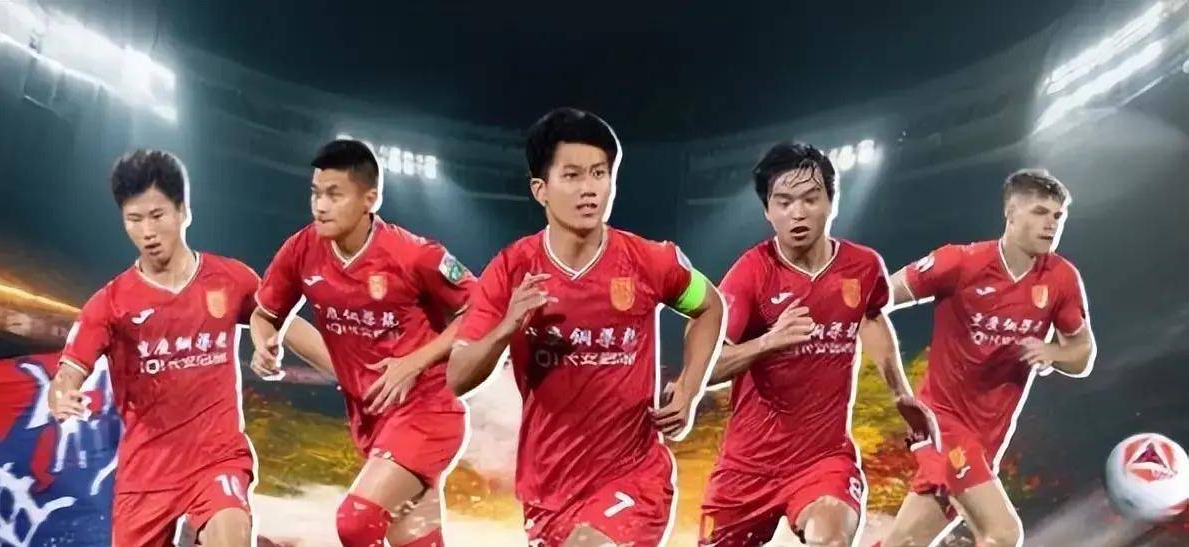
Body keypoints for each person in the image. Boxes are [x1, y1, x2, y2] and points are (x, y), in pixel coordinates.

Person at [447, 107, 725, 546]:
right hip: (548, 491)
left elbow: (709, 306)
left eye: (600, 174)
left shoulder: (651, 262)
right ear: (540, 189)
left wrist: (689, 391)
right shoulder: (510, 270)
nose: (590, 189)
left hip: (634, 476)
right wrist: (505, 329)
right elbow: (457, 376)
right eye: (572, 176)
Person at [49, 149, 327, 547]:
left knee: (230, 532)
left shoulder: (229, 279)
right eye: (134, 219)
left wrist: (352, 375)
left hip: (216, 457)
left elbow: (284, 321)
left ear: (183, 211)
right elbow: (69, 372)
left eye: (157, 215)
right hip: (147, 474)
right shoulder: (109, 305)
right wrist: (62, 395)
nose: (147, 231)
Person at [698, 142, 937, 547]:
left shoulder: (863, 267)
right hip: (747, 468)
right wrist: (769, 342)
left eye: (811, 199)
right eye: (784, 202)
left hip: (823, 460)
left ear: (832, 202)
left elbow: (870, 317)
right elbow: (707, 367)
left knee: (830, 539)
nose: (798, 212)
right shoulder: (750, 273)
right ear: (767, 210)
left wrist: (901, 392)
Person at [249, 139, 474, 547]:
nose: (320, 206)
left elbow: (480, 309)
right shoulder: (302, 250)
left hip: (427, 410)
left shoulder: (413, 254)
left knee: (357, 520)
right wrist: (265, 341)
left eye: (334, 195)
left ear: (370, 199)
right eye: (316, 193)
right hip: (371, 419)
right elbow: (265, 314)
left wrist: (414, 362)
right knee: (415, 540)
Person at [880, 169, 1096, 547]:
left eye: (1058, 216)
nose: (1051, 224)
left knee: (906, 542)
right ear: (1010, 213)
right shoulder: (959, 262)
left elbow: (1083, 356)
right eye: (1040, 212)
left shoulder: (1061, 279)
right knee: (1003, 533)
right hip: (941, 422)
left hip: (987, 439)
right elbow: (878, 298)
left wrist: (1054, 352)